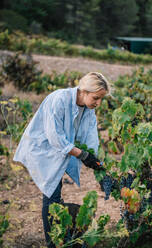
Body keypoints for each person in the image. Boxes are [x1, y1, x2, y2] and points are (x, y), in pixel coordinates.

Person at [13, 71, 110, 247]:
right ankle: (53, 242)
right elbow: (54, 137)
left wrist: (97, 164)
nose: (98, 103)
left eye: (101, 99)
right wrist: (82, 155)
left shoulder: (88, 111)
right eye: (96, 98)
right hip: (43, 150)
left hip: (61, 152)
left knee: (54, 195)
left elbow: (90, 138)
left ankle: (61, 234)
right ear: (84, 91)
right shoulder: (59, 99)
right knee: (51, 192)